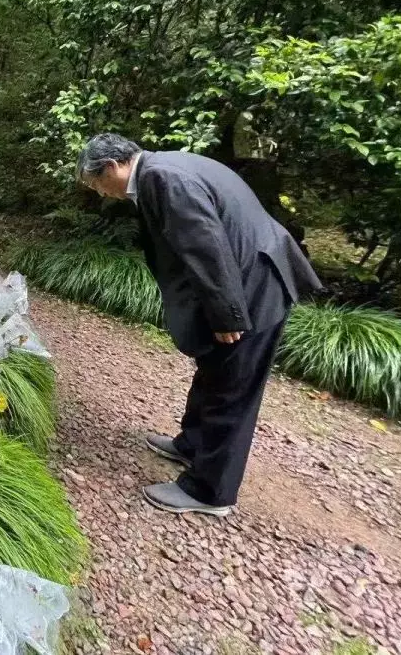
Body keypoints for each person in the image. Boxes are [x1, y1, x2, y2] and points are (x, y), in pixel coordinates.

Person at [76, 134, 322, 516]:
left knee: (232, 387)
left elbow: (205, 245)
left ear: (112, 167)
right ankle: (191, 444)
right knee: (213, 369)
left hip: (253, 286)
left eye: (96, 184)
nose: (101, 193)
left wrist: (228, 314)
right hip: (247, 277)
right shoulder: (163, 167)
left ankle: (210, 491)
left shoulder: (163, 178)